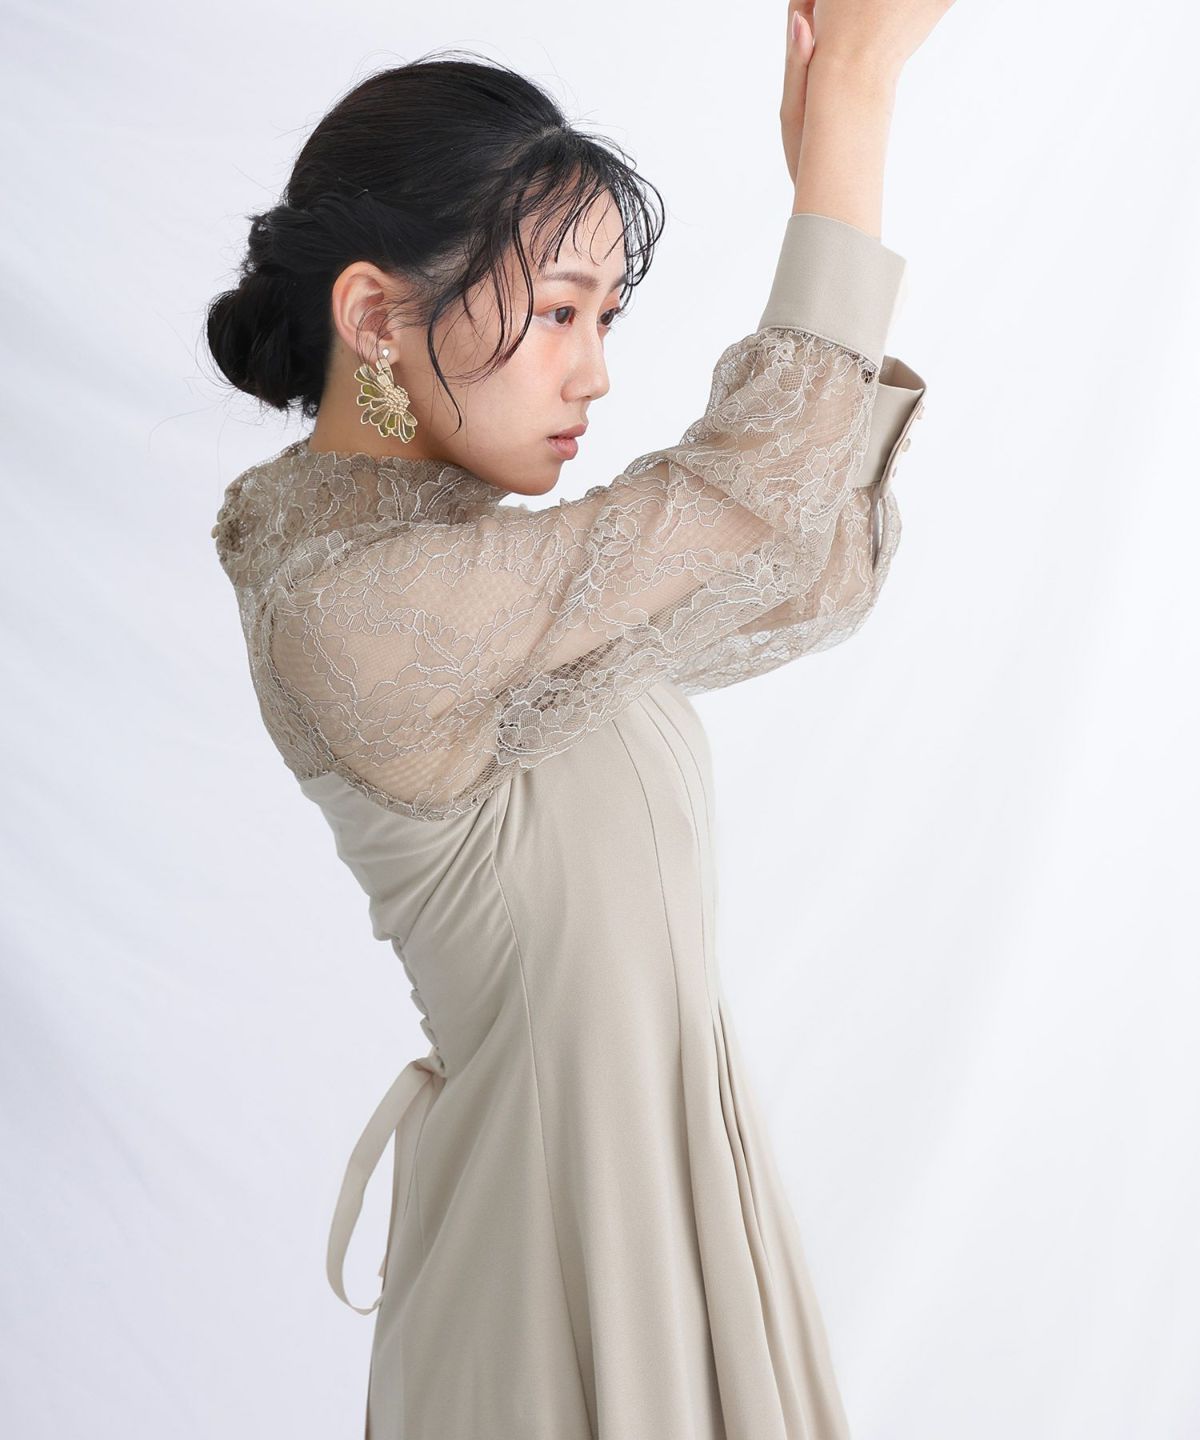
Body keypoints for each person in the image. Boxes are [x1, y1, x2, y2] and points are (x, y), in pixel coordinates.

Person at [206, 3, 950, 1434]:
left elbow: (806, 568)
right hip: (544, 1278)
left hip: (682, 1218)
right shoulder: (355, 612)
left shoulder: (512, 589)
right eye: (558, 312)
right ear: (374, 318)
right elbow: (745, 495)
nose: (595, 371)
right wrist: (851, 106)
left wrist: (837, 162)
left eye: (605, 319)